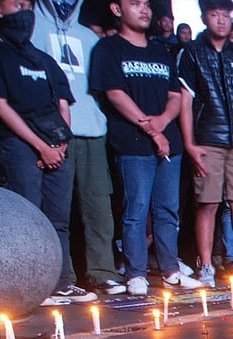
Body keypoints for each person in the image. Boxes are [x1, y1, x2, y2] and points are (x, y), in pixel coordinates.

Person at [0, 0, 96, 305]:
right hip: (19, 146)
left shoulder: (43, 59)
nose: (25, 10)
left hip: (56, 145)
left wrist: (59, 144)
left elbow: (64, 104)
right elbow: (0, 106)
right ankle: (31, 288)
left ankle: (61, 282)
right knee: (28, 217)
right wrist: (40, 146)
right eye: (17, 4)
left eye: (28, 4)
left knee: (59, 218)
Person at [89, 0, 201, 295]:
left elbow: (175, 95)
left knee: (168, 210)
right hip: (133, 143)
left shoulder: (160, 50)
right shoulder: (108, 49)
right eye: (135, 3)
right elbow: (115, 94)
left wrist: (162, 122)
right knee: (136, 209)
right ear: (116, 9)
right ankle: (135, 272)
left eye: (147, 4)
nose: (144, 9)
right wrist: (152, 130)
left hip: (168, 142)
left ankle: (170, 271)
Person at [30, 0, 121, 296]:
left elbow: (101, 88)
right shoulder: (32, 26)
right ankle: (60, 278)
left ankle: (102, 272)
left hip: (92, 131)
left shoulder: (89, 37)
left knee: (98, 205)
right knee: (55, 211)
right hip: (51, 133)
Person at [177, 0, 233, 287]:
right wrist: (190, 144)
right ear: (204, 18)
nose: (221, 21)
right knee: (208, 204)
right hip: (208, 139)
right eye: (215, 15)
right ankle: (205, 267)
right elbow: (186, 102)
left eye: (226, 15)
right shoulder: (191, 52)